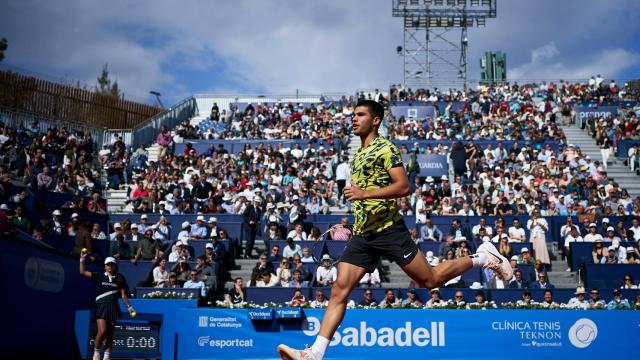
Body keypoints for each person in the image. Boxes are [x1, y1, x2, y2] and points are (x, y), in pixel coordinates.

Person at [277, 100, 511, 360]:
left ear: (375, 120)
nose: (354, 119)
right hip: (364, 234)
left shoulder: (385, 148)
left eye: (361, 115)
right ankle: (315, 353)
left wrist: (365, 193)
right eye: (353, 115)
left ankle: (483, 257)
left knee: (430, 280)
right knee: (338, 290)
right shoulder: (357, 156)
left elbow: (403, 187)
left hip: (390, 230)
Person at [79, 255, 133, 360]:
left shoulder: (120, 278)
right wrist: (82, 260)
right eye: (108, 265)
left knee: (110, 333)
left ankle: (107, 355)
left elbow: (123, 295)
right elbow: (82, 272)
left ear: (115, 266)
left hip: (113, 307)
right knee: (102, 331)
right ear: (105, 266)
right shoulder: (99, 276)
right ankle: (96, 351)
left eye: (112, 264)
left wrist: (129, 307)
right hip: (101, 306)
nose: (110, 266)